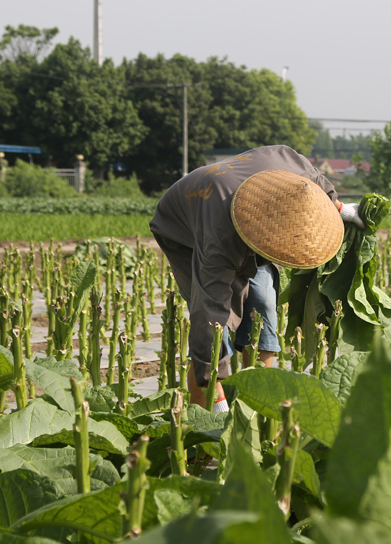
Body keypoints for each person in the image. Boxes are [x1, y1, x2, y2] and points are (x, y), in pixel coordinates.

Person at [150, 145, 364, 411]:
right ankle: (202, 422)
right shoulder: (219, 240)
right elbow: (208, 312)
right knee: (221, 327)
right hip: (184, 232)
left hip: (256, 210)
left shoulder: (292, 169)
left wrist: (339, 207)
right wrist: (215, 391)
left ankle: (258, 406)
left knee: (262, 305)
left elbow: (316, 183)